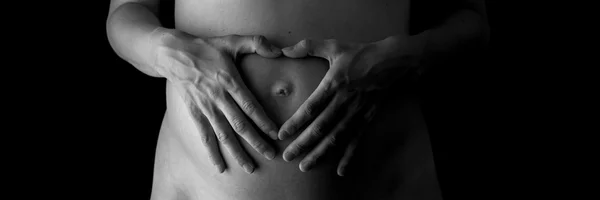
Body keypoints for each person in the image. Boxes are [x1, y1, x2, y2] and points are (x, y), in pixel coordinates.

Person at [106, 0, 489, 199]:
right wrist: (167, 51)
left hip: (385, 182)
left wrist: (410, 56)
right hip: (202, 188)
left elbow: (471, 21)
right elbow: (125, 13)